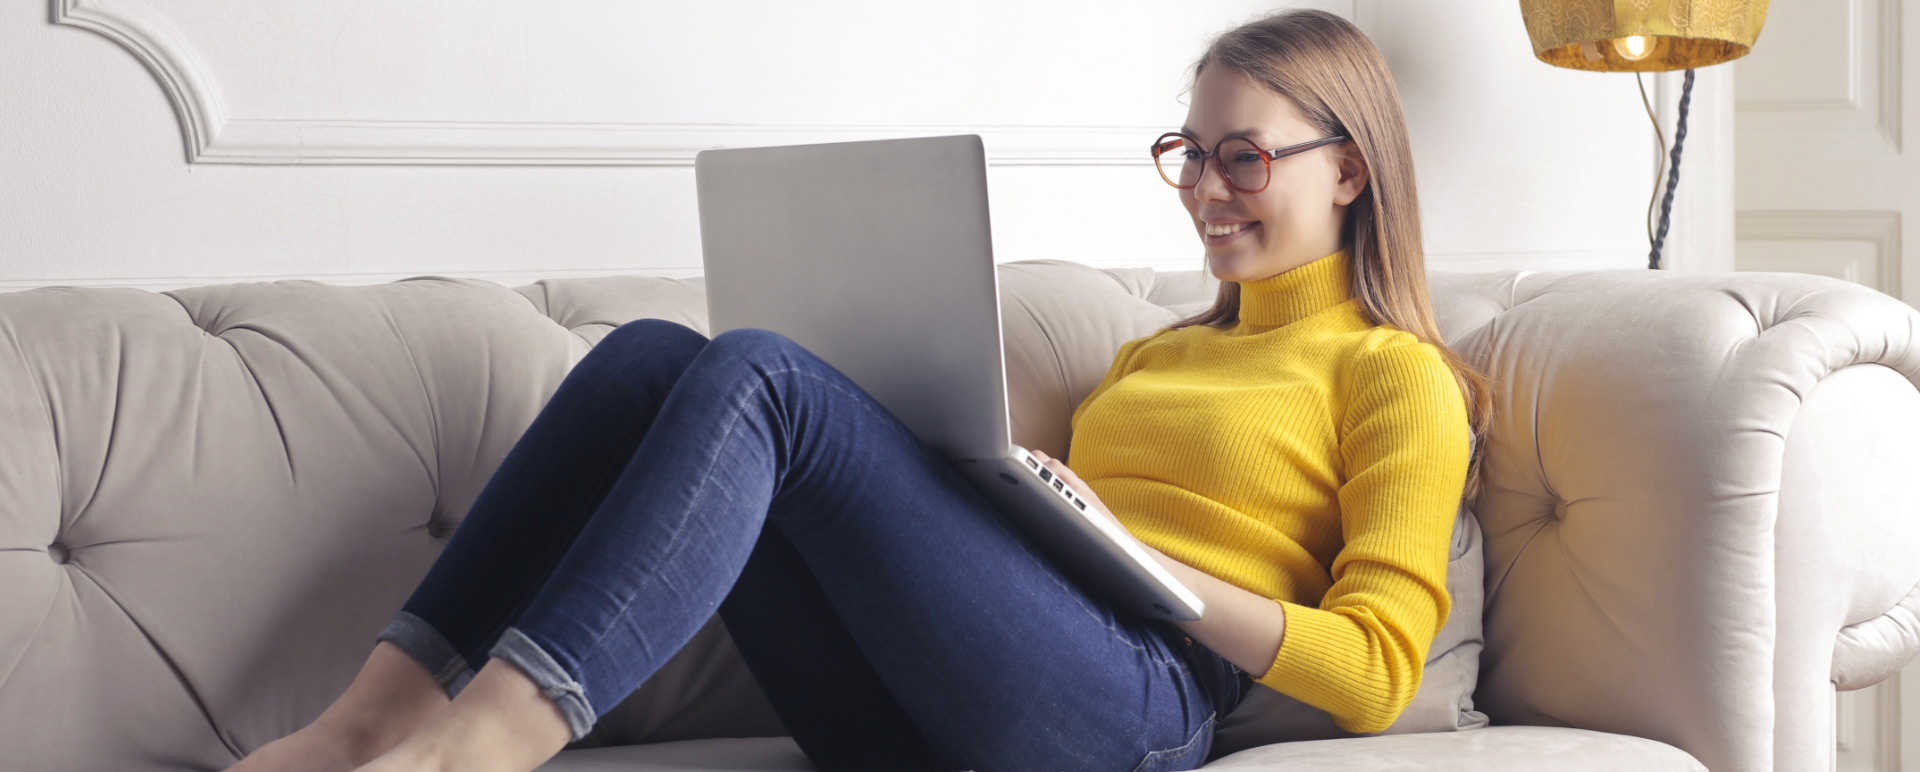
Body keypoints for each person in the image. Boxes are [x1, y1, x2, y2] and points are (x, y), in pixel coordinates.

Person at [228, 8, 1489, 772]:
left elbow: (1377, 669)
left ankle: (490, 739)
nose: (1208, 189)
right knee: (655, 356)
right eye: (1189, 155)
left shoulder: (1396, 374)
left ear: (1353, 169)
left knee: (767, 374)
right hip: (931, 709)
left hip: (1134, 710)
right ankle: (359, 729)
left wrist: (1152, 568)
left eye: (1244, 157)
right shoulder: (1158, 353)